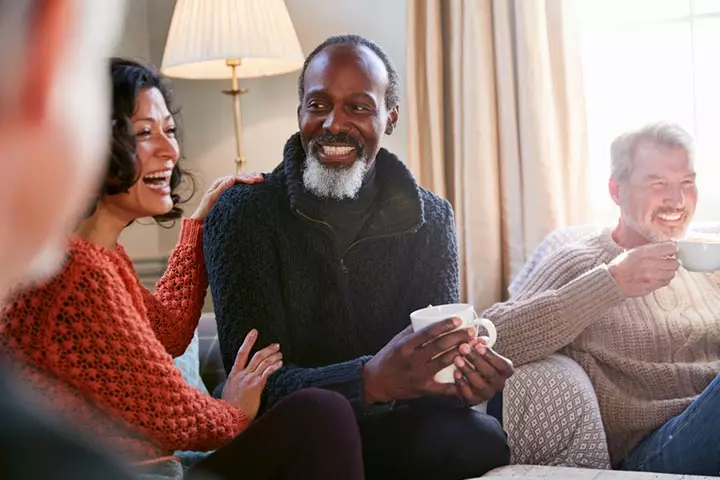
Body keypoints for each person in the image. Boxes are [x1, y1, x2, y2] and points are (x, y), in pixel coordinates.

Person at [1, 58, 365, 480]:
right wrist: (233, 408)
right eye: (143, 133)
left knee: (319, 414)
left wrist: (194, 230)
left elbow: (165, 334)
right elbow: (175, 415)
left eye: (169, 131)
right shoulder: (76, 275)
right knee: (322, 413)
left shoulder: (96, 255)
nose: (170, 150)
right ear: (89, 144)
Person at [205, 34, 512, 480]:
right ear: (300, 113)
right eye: (318, 104)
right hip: (292, 433)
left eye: (359, 107)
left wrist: (461, 382)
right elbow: (253, 386)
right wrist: (366, 380)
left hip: (385, 432)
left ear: (390, 118)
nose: (334, 122)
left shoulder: (431, 219)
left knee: (480, 437)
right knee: (320, 420)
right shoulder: (242, 214)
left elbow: (430, 363)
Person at [483, 121, 720, 475]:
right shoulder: (580, 260)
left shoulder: (708, 257)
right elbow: (491, 337)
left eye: (687, 183)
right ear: (616, 190)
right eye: (658, 184)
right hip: (654, 449)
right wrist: (612, 282)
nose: (678, 200)